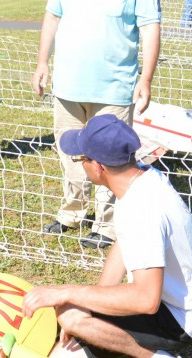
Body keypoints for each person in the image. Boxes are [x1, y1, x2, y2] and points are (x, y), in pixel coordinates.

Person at [22, 115, 192, 358]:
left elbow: (146, 300)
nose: (81, 164)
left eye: (81, 159)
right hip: (169, 306)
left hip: (177, 320)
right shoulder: (142, 178)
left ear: (98, 167)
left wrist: (68, 295)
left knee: (70, 314)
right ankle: (103, 339)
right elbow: (124, 242)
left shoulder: (141, 210)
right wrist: (93, 306)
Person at [32, 0, 160, 250]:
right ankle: (72, 212)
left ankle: (107, 224)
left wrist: (146, 79)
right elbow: (52, 17)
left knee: (113, 159)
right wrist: (42, 62)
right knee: (70, 154)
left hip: (114, 89)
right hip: (67, 87)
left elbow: (150, 29)